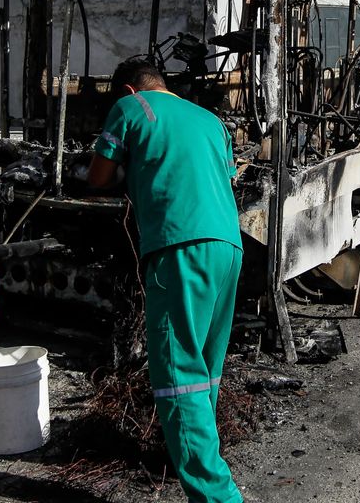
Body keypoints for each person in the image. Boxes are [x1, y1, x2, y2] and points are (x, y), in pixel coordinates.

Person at [87, 59, 244, 503]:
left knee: (178, 377)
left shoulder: (131, 107)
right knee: (205, 370)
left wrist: (125, 171)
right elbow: (220, 176)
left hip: (179, 245)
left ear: (126, 88)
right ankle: (195, 458)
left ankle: (218, 496)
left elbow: (98, 176)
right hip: (227, 246)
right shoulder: (210, 119)